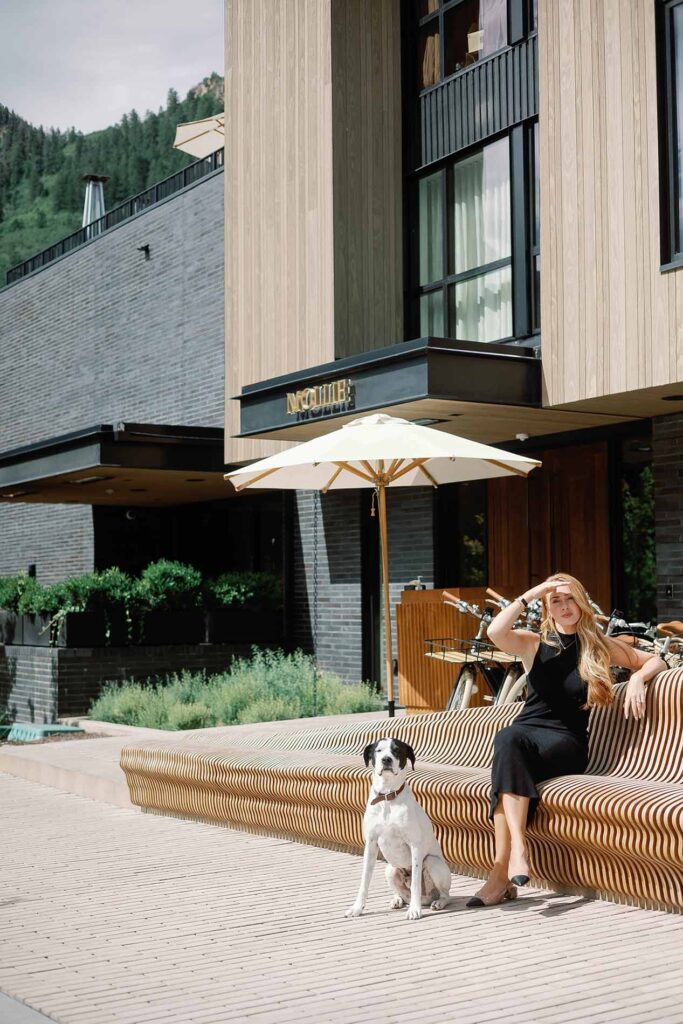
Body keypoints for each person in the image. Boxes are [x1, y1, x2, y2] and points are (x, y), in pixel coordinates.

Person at [466, 572, 667, 908]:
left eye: (569, 597)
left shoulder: (597, 644)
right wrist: (531, 593)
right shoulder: (533, 643)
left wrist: (638, 679)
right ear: (547, 608)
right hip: (525, 736)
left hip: (566, 743)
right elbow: (494, 632)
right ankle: (516, 852)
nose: (564, 606)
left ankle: (502, 871)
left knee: (507, 753)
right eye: (555, 601)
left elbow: (654, 659)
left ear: (581, 602)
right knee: (509, 745)